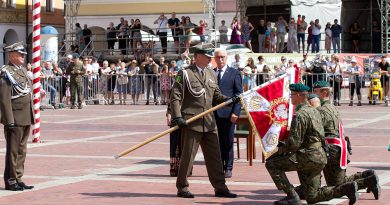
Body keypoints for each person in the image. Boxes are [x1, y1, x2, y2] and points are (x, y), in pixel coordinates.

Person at [266, 83, 359, 205]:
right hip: (319, 157)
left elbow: (294, 143)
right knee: (313, 197)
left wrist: (278, 149)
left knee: (272, 164)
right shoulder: (314, 111)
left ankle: (291, 196)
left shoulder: (300, 115)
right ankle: (346, 188)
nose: (291, 97)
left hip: (307, 157)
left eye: (292, 95)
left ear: (299, 96)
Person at [170, 45, 238, 198]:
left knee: (215, 157)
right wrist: (177, 117)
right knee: (188, 157)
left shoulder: (211, 74)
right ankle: (182, 187)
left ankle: (220, 187)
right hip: (191, 121)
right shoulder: (185, 73)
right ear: (198, 56)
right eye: (207, 56)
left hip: (209, 122)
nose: (210, 59)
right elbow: (175, 96)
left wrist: (230, 100)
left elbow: (216, 96)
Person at [312, 81, 381, 200]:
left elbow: (315, 130)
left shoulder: (321, 110)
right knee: (340, 181)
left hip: (331, 148)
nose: (313, 94)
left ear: (324, 92)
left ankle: (367, 181)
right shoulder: (332, 107)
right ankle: (367, 176)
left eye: (315, 92)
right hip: (339, 147)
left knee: (335, 186)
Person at [0, 42, 35, 191]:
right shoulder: (6, 72)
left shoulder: (20, 71)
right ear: (12, 55)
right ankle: (11, 180)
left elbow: (27, 92)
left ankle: (18, 177)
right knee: (13, 151)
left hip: (25, 116)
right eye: (20, 54)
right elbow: (4, 98)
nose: (23, 57)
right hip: (14, 117)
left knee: (22, 150)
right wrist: (9, 120)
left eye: (23, 54)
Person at [213, 48, 243, 178]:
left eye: (222, 57)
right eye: (218, 57)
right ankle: (219, 166)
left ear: (226, 58)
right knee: (216, 142)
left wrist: (236, 112)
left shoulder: (234, 73)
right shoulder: (211, 73)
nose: (220, 59)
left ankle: (229, 167)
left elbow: (238, 94)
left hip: (228, 113)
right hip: (213, 114)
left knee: (228, 141)